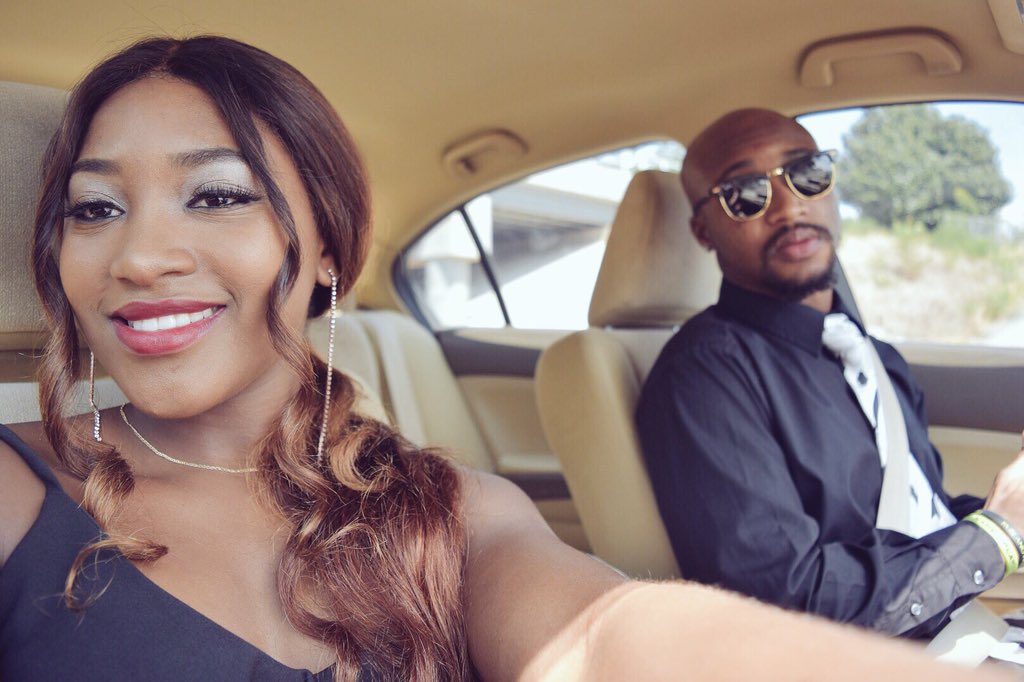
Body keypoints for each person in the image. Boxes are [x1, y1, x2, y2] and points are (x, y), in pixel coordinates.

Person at [0, 39, 1008, 682]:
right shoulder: (16, 491)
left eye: (217, 194)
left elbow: (601, 637)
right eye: (95, 208)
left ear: (330, 251)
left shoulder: (455, 513)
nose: (139, 257)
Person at [636, 107, 1024, 639]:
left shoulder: (873, 356)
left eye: (807, 173)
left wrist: (1005, 519)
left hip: (949, 631)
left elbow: (919, 519)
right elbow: (787, 600)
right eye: (746, 194)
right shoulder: (704, 375)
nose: (789, 205)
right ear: (703, 231)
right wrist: (994, 537)